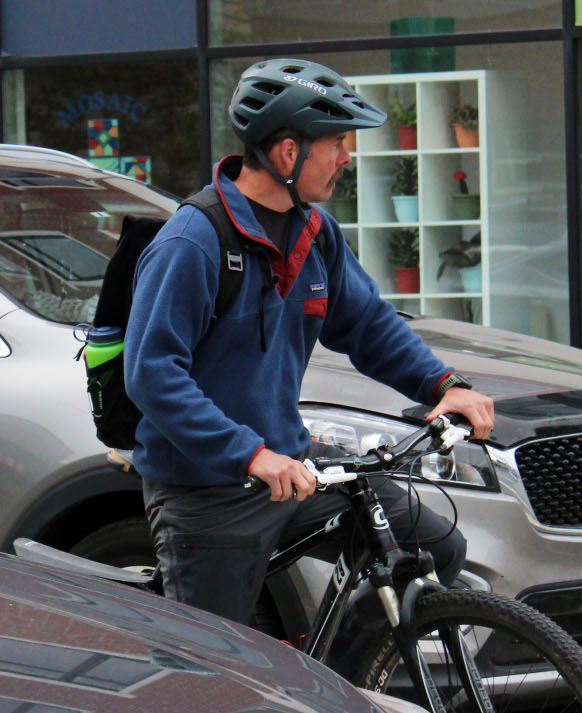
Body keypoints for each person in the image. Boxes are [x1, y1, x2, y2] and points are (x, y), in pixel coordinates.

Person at [123, 59, 496, 625]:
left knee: (431, 545)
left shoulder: (314, 231)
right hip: (208, 492)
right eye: (338, 144)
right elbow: (152, 373)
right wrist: (249, 453)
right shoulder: (193, 241)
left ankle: (350, 681)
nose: (348, 158)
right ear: (288, 153)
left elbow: (367, 322)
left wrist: (443, 384)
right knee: (217, 671)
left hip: (293, 472)